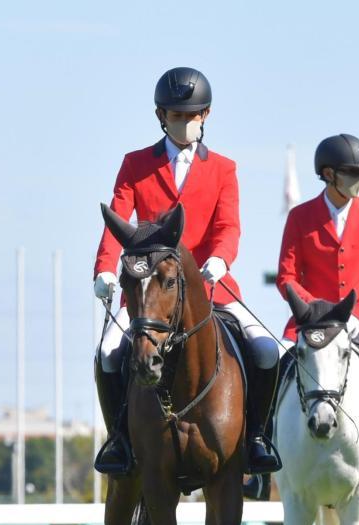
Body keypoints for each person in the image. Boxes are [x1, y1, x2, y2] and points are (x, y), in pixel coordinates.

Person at [92, 66, 281, 482]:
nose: (184, 123)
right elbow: (117, 220)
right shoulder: (135, 164)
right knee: (107, 354)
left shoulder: (224, 168)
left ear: (206, 115)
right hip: (151, 294)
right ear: (162, 116)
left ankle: (257, 439)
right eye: (176, 116)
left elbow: (229, 226)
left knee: (269, 351)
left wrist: (221, 258)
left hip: (213, 287)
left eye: (191, 115)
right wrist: (105, 269)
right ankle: (118, 440)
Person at [277, 134, 359, 357]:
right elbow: (287, 278)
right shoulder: (299, 216)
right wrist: (314, 310)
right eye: (352, 173)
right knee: (276, 361)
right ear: (328, 174)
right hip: (310, 324)